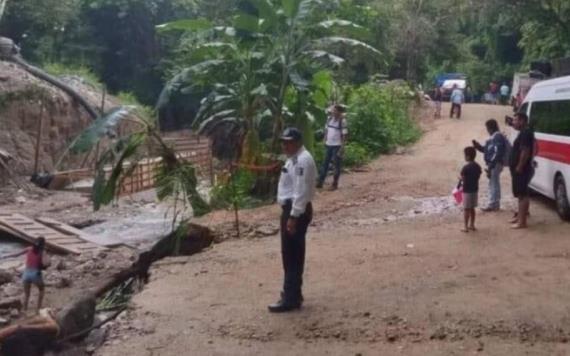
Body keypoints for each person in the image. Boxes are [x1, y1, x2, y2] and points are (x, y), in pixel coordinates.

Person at [269, 127, 317, 313]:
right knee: (290, 254)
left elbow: (301, 190)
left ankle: (291, 297)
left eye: (288, 142)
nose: (285, 145)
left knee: (292, 255)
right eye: (284, 142)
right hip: (292, 209)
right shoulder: (294, 160)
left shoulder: (302, 161)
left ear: (297, 142)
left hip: (294, 210)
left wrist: (294, 216)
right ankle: (293, 293)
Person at [3, 237, 49, 313]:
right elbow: (45, 263)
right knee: (42, 290)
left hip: (26, 274)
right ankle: (38, 308)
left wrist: (6, 256)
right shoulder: (42, 252)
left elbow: (16, 254)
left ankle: (25, 309)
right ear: (43, 244)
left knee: (27, 294)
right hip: (35, 274)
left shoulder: (29, 248)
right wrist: (47, 257)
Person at [472, 119, 508, 211]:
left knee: (493, 183)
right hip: (495, 163)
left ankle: (493, 204)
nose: (487, 130)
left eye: (487, 128)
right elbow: (487, 150)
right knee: (494, 182)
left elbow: (497, 152)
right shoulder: (495, 137)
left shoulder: (497, 137)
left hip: (495, 163)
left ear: (490, 128)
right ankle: (495, 203)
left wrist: (491, 165)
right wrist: (478, 147)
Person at [509, 112, 535, 229]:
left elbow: (525, 151)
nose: (513, 122)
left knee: (522, 194)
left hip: (521, 169)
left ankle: (522, 222)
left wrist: (519, 166)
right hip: (522, 168)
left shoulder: (525, 133)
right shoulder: (525, 132)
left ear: (522, 121)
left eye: (515, 120)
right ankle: (521, 217)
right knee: (523, 194)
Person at [317, 105, 348, 190]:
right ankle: (320, 182)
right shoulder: (329, 119)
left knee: (336, 165)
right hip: (329, 144)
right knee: (325, 163)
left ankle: (334, 184)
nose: (333, 112)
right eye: (333, 110)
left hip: (337, 145)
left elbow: (344, 135)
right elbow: (326, 130)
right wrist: (324, 139)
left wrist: (342, 147)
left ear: (339, 112)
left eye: (335, 111)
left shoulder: (342, 121)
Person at [460, 147, 482, 232]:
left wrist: (461, 179)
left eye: (465, 155)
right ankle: (472, 225)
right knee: (472, 208)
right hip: (475, 190)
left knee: (466, 209)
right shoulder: (477, 166)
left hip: (467, 191)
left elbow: (463, 178)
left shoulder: (466, 167)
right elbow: (478, 176)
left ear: (468, 156)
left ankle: (465, 226)